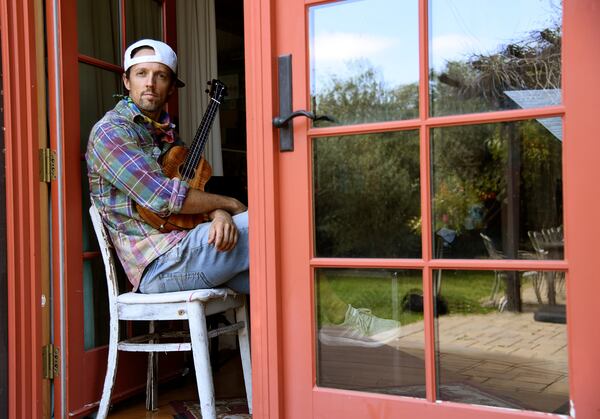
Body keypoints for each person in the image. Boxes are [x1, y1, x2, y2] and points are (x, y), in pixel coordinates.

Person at [86, 39, 249, 295]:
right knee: (266, 225)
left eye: (160, 75)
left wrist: (220, 214)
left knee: (270, 279)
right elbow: (163, 198)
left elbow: (192, 195)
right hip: (159, 263)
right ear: (127, 82)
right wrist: (231, 204)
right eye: (141, 74)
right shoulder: (111, 132)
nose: (150, 82)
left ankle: (322, 328)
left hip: (189, 244)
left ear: (172, 87)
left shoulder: (165, 136)